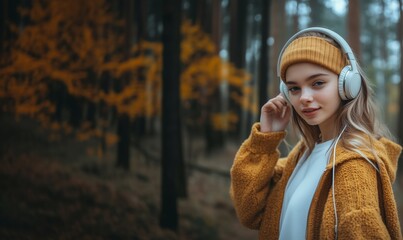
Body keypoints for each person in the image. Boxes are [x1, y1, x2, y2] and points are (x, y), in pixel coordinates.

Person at [229, 27, 402, 240]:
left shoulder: (354, 167)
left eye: (317, 83)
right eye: (294, 88)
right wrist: (265, 140)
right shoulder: (302, 154)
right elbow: (250, 212)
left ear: (348, 85)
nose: (304, 97)